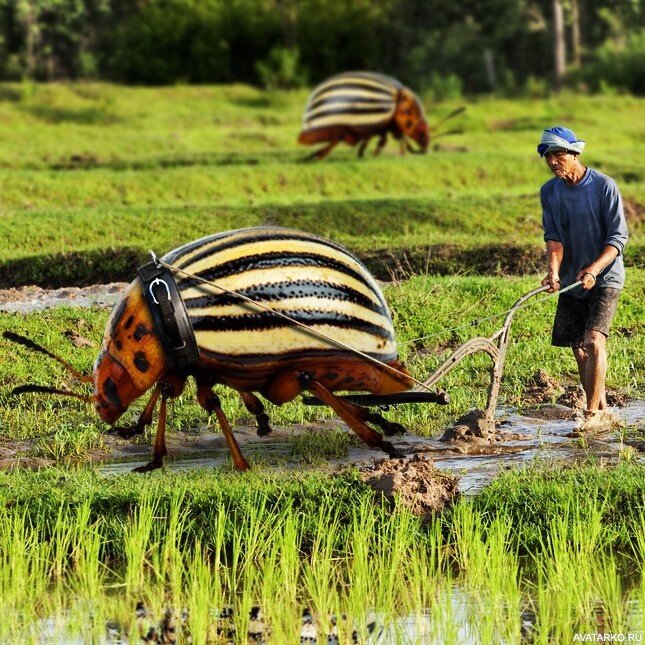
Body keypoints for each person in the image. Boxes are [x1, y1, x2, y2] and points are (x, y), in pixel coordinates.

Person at [537, 126, 628, 432]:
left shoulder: (603, 186)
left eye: (557, 154)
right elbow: (554, 239)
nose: (552, 161)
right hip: (572, 278)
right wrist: (552, 270)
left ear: (575, 153)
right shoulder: (549, 192)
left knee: (593, 341)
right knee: (578, 348)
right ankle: (600, 406)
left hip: (605, 275)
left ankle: (590, 417)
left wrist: (594, 269)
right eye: (547, 156)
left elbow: (617, 239)